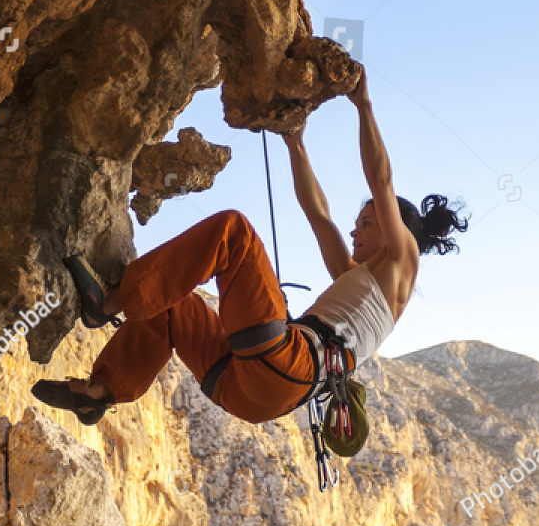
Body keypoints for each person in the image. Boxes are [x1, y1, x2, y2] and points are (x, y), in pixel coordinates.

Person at [32, 67, 468, 428]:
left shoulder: (402, 260)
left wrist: (364, 105)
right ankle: (101, 391)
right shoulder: (359, 278)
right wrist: (295, 143)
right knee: (168, 303)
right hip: (250, 390)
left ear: (398, 231)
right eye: (358, 224)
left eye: (367, 223)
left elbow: (382, 182)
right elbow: (319, 215)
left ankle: (108, 301)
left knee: (234, 233)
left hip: (287, 364)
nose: (355, 234)